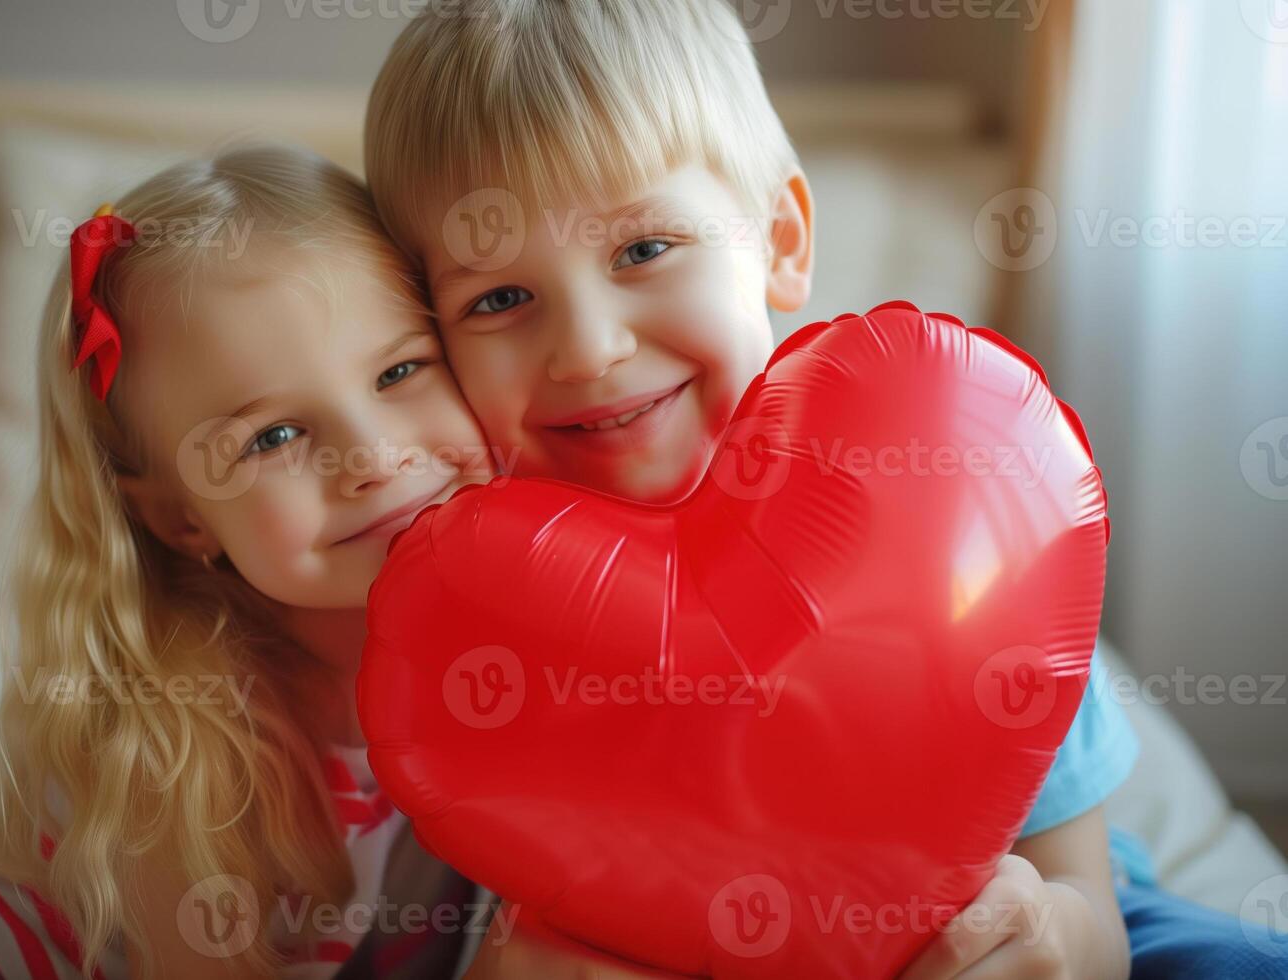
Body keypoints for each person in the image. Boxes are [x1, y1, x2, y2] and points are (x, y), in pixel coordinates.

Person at [362, 1, 1288, 976]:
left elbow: (1089, 908)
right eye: (499, 299)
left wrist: (1051, 940)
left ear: (781, 240)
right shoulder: (479, 610)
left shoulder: (940, 494)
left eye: (643, 250)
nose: (589, 349)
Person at [0, 144, 494, 979]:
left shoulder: (516, 628)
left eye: (401, 369)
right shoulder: (177, 762)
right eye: (273, 436)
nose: (372, 455)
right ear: (178, 518)